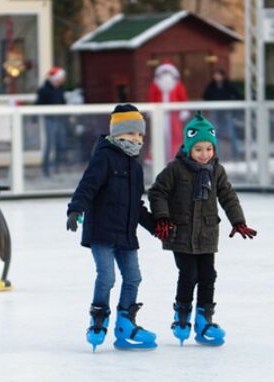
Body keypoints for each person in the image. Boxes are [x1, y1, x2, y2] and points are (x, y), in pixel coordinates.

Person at [148, 111, 257, 347]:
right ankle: (182, 315)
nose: (204, 154)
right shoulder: (175, 169)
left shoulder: (216, 170)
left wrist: (238, 221)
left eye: (209, 149)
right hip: (181, 232)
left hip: (207, 232)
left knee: (208, 275)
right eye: (198, 149)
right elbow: (157, 192)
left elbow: (228, 196)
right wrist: (163, 217)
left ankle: (204, 318)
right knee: (189, 274)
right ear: (188, 148)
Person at [66, 104, 157, 352]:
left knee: (133, 277)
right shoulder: (104, 156)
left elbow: (137, 205)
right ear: (117, 134)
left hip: (126, 233)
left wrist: (155, 227)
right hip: (102, 232)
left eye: (140, 135)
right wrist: (76, 209)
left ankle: (125, 323)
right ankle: (98, 318)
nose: (136, 139)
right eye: (131, 134)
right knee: (106, 276)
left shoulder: (136, 167)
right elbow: (88, 185)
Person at [147, 61, 189, 160]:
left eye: (168, 73)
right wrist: (151, 110)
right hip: (159, 114)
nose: (166, 76)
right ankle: (156, 157)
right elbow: (151, 98)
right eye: (164, 73)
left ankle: (176, 155)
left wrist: (183, 110)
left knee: (176, 135)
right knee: (158, 135)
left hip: (173, 114)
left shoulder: (178, 85)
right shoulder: (155, 85)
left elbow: (183, 98)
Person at [202, 68, 241, 159]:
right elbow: (205, 97)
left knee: (231, 133)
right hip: (215, 113)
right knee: (215, 133)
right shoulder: (211, 86)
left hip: (226, 113)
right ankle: (215, 154)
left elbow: (237, 95)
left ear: (222, 76)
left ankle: (236, 153)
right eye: (215, 75)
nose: (216, 77)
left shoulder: (228, 85)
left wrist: (232, 105)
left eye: (218, 75)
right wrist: (207, 108)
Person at [36, 66, 67, 177]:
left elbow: (63, 103)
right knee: (49, 144)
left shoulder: (60, 89)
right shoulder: (44, 90)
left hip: (60, 119)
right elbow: (38, 104)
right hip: (49, 120)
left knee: (60, 143)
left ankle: (57, 167)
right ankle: (46, 169)